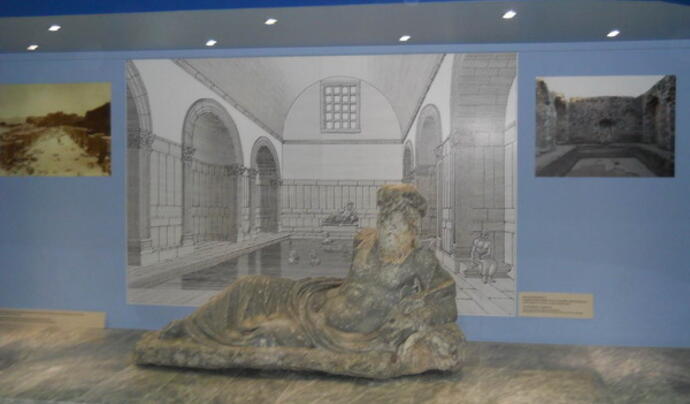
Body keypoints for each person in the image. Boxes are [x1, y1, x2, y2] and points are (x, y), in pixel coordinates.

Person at [158, 184, 458, 355]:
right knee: (248, 285)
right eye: (386, 222)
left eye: (399, 226)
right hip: (311, 299)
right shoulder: (364, 239)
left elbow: (446, 301)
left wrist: (417, 319)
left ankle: (203, 341)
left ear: (413, 229)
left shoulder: (420, 259)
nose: (390, 231)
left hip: (334, 334)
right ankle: (189, 326)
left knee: (266, 334)